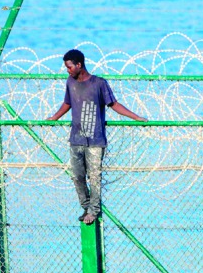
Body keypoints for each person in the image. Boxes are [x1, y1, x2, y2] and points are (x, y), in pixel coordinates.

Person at [47, 49, 147, 224]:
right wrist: (54, 117)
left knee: (94, 176)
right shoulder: (70, 82)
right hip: (76, 138)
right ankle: (86, 206)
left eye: (70, 67)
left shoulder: (99, 83)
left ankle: (93, 210)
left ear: (79, 65)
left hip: (95, 140)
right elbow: (67, 103)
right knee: (77, 176)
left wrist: (136, 117)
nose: (68, 70)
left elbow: (113, 104)